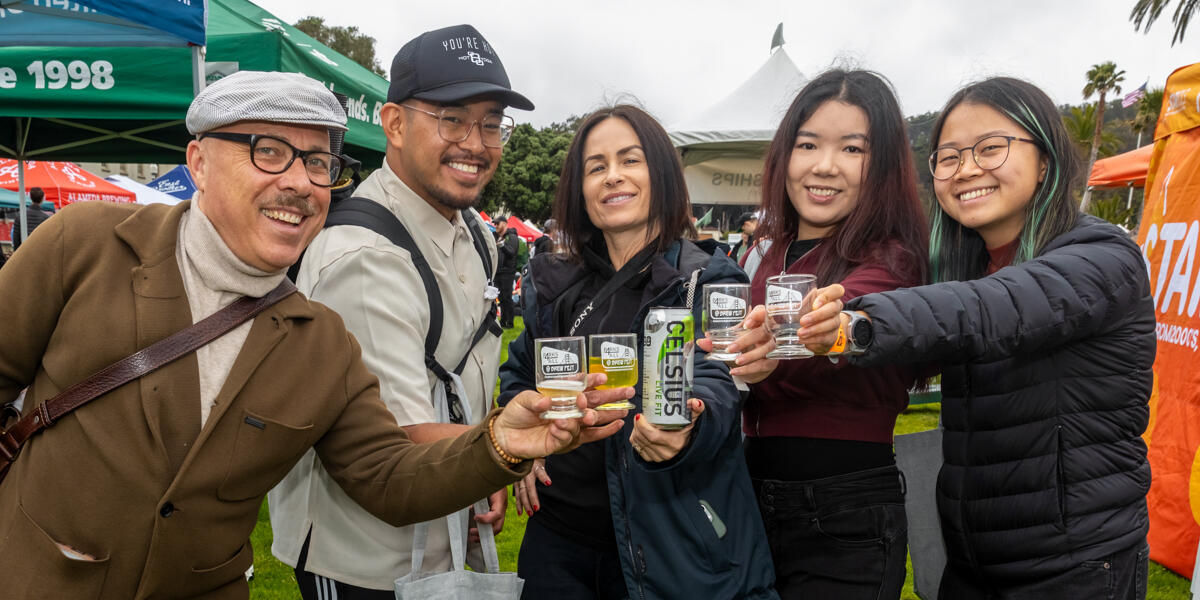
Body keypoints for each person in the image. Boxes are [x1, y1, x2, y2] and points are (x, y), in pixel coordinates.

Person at [0, 70, 626, 599]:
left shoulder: (319, 341)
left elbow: (388, 474)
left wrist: (498, 444)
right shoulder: (83, 246)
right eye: (267, 151)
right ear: (197, 160)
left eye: (320, 161)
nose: (299, 182)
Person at [804, 77, 1154, 598]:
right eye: (948, 157)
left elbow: (998, 307)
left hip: (1074, 567)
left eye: (991, 148)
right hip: (971, 562)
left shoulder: (1102, 256)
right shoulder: (964, 270)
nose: (966, 169)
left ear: (1045, 161)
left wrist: (853, 325)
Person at [268, 24, 534, 599]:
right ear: (393, 124)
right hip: (365, 556)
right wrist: (501, 449)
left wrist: (480, 456)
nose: (476, 142)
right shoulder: (363, 254)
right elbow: (397, 437)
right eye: (452, 119)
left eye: (492, 123)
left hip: (444, 530)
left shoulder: (473, 232)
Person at [499, 105, 777, 600]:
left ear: (662, 174)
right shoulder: (555, 283)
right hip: (558, 542)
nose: (613, 177)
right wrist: (524, 445)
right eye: (596, 166)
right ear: (579, 189)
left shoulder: (708, 280)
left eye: (631, 160)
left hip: (670, 540)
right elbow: (522, 368)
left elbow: (723, 379)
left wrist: (688, 427)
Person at [699, 70, 929, 600]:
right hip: (752, 498)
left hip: (844, 514)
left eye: (852, 149)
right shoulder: (770, 254)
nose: (824, 166)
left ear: (884, 167)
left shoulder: (893, 257)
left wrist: (785, 346)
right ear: (784, 156)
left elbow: (851, 311)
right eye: (808, 144)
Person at [494, 217, 521, 328]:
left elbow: (512, 252)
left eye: (497, 223)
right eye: (494, 224)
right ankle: (503, 320)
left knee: (507, 297)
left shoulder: (512, 237)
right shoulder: (497, 237)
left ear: (504, 224)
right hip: (498, 271)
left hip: (507, 271)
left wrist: (502, 245)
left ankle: (510, 322)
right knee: (500, 297)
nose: (495, 225)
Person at [10, 186, 52, 251]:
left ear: (30, 197)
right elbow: (47, 239)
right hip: (38, 251)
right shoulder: (46, 218)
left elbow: (16, 237)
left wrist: (17, 252)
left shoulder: (20, 215)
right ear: (42, 199)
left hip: (23, 251)